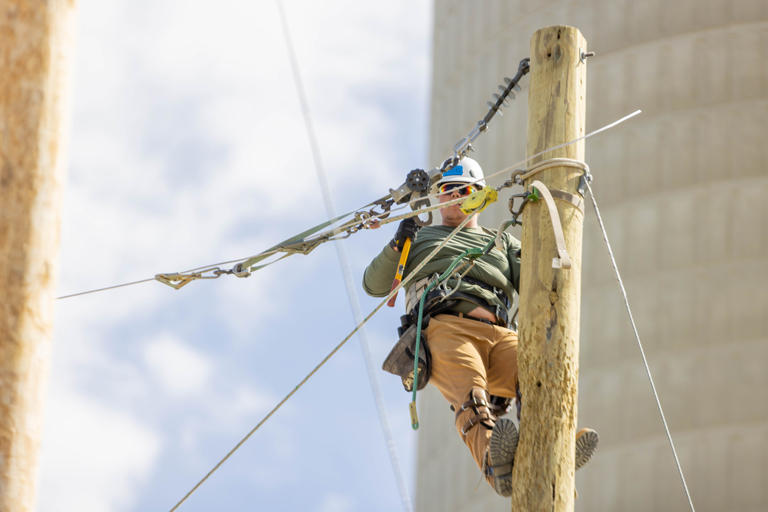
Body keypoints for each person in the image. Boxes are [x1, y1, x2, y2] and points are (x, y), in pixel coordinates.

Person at [362, 157, 598, 497]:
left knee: (539, 374)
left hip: (501, 334)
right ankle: (496, 465)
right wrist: (399, 243)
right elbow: (374, 284)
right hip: (445, 328)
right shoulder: (423, 238)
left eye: (460, 191)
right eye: (445, 191)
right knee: (472, 398)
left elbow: (541, 281)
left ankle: (556, 449)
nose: (451, 197)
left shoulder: (502, 242)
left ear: (478, 195)